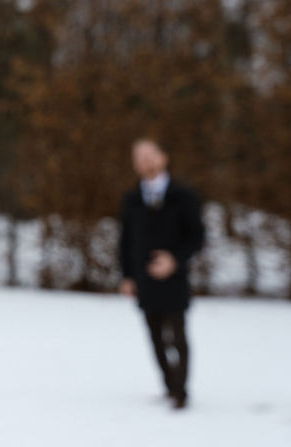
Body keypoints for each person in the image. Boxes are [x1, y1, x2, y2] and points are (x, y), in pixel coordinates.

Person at [118, 138, 205, 410]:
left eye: (149, 156)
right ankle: (169, 386)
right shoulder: (131, 199)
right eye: (139, 158)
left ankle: (180, 391)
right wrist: (127, 276)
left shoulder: (183, 196)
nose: (145, 162)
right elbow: (125, 240)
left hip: (174, 280)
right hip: (144, 280)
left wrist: (174, 259)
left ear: (163, 158)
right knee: (155, 338)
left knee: (177, 337)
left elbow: (197, 236)